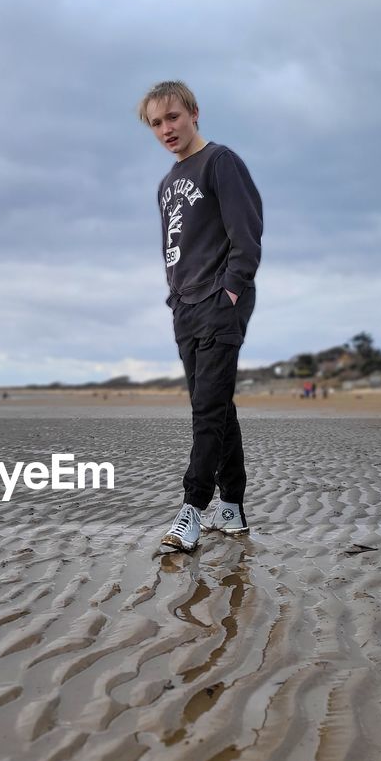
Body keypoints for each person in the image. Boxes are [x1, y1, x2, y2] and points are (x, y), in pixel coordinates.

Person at [139, 80, 263, 552]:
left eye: (173, 117)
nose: (166, 129)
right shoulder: (168, 184)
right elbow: (174, 248)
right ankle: (231, 507)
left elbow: (246, 233)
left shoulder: (220, 162)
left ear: (193, 113)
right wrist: (176, 298)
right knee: (215, 406)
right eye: (156, 123)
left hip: (219, 302)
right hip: (186, 307)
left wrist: (230, 290)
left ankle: (191, 509)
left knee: (205, 410)